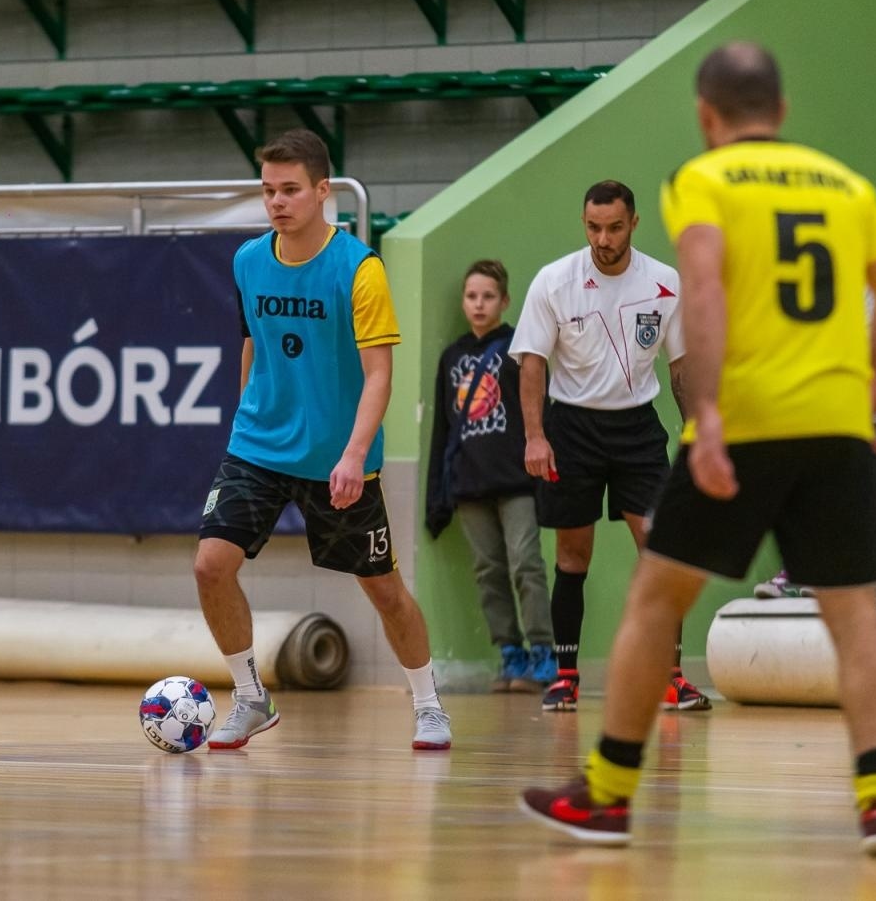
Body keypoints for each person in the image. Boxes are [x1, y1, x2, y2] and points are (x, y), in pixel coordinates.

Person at [519, 42, 876, 855]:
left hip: (749, 425)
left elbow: (702, 291)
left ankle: (607, 794)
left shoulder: (704, 181)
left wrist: (706, 413)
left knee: (653, 599)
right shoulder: (846, 188)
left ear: (708, 118)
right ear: (781, 113)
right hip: (839, 426)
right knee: (855, 619)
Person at [193, 128, 452, 752]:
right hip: (257, 446)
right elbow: (251, 340)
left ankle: (428, 704)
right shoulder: (248, 261)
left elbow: (379, 374)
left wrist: (354, 455)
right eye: (268, 191)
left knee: (384, 591)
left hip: (338, 456)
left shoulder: (359, 269)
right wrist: (245, 412)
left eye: (290, 190)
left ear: (321, 191)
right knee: (209, 566)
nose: (277, 202)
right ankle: (251, 698)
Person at [509, 180, 710, 713]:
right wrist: (535, 436)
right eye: (594, 227)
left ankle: (671, 677)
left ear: (634, 224)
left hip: (637, 430)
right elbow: (532, 363)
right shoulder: (554, 281)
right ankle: (566, 677)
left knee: (662, 550)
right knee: (573, 556)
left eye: (614, 227)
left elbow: (682, 368)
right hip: (571, 428)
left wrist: (696, 437)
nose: (603, 238)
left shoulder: (664, 283)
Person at [425, 259, 555, 693]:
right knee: (488, 572)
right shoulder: (452, 357)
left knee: (526, 565)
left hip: (518, 481)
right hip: (469, 485)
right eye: (471, 296)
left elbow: (543, 415)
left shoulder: (522, 350)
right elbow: (443, 430)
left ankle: (543, 654)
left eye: (488, 296)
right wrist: (437, 498)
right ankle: (510, 654)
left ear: (505, 301)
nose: (479, 305)